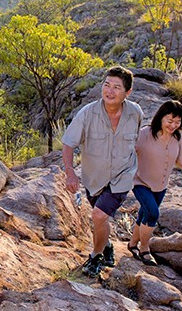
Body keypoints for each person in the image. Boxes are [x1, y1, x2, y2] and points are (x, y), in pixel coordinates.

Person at [61, 66, 143, 277]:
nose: (110, 91)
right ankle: (106, 248)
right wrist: (70, 173)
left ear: (128, 92)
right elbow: (69, 143)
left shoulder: (135, 113)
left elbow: (138, 142)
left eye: (117, 87)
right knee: (101, 219)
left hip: (122, 177)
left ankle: (95, 256)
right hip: (93, 178)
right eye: (107, 85)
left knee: (98, 215)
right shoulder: (88, 113)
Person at [127, 100, 182, 266]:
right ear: (161, 117)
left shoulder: (177, 137)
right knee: (153, 214)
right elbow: (126, 151)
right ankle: (145, 249)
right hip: (140, 182)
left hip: (161, 185)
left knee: (144, 214)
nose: (173, 125)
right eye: (170, 121)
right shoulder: (145, 133)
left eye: (177, 122)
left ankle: (132, 244)